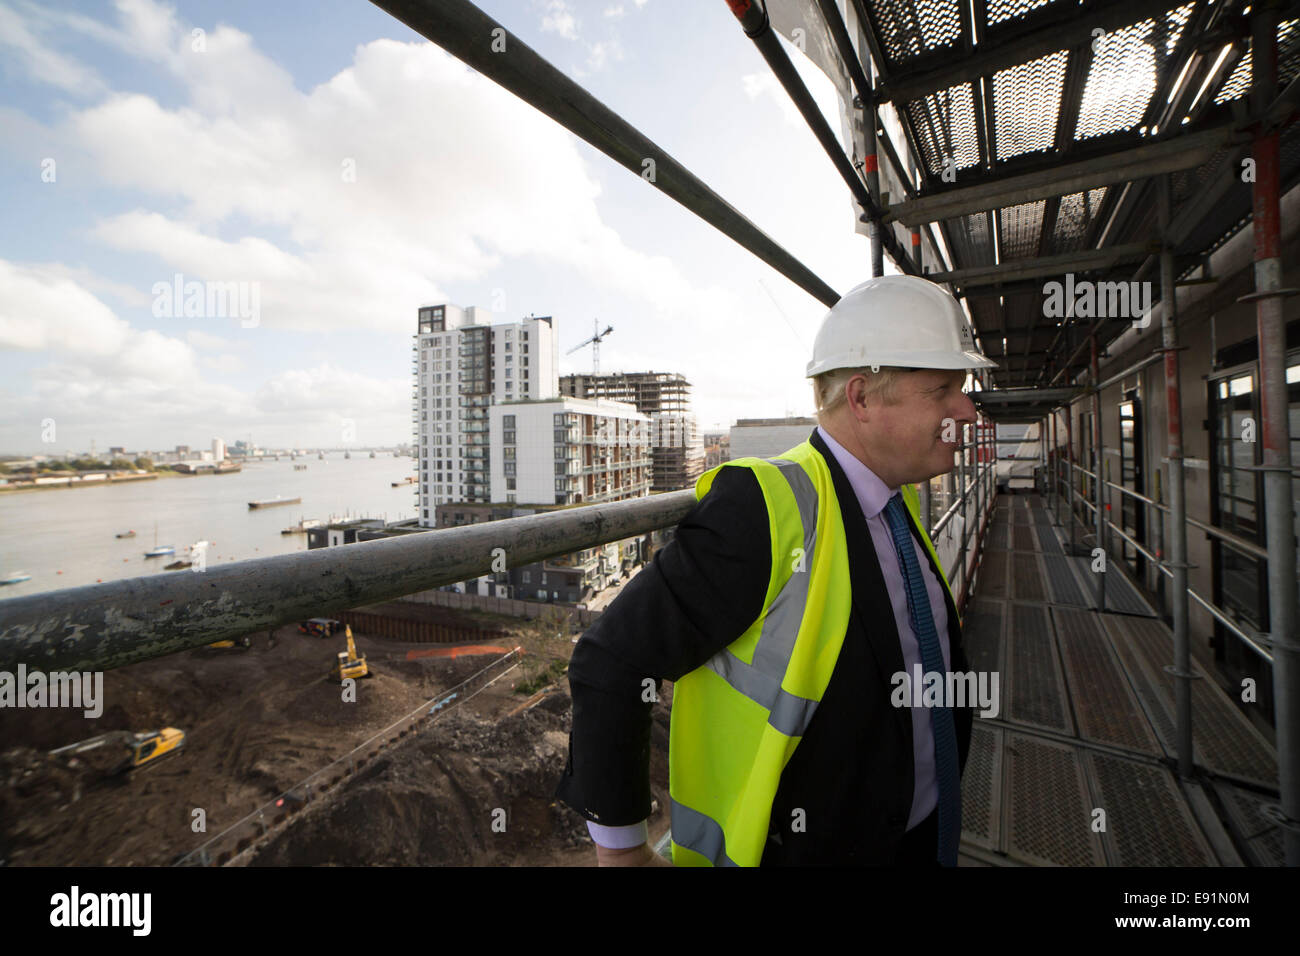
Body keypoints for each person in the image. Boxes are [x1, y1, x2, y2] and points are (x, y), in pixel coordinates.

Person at [554, 275, 997, 866]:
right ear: (861, 398)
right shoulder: (763, 510)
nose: (966, 409)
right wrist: (624, 854)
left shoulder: (898, 501)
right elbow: (610, 660)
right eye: (943, 389)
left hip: (920, 835)